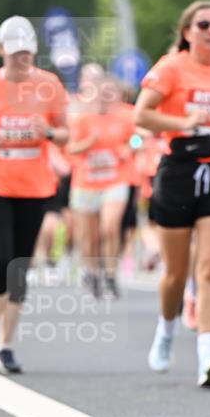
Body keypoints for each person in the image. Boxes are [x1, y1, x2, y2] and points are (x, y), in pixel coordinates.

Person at [134, 0, 210, 388]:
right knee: (176, 274)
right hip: (178, 168)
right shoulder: (171, 67)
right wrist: (183, 122)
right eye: (204, 24)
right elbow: (141, 114)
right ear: (187, 31)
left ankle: (208, 356)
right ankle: (165, 330)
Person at [0, 16, 69, 373]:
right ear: (1, 51)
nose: (22, 60)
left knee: (19, 267)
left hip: (34, 185)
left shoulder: (49, 85)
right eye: (15, 53)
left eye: (27, 53)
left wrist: (47, 131)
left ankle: (6, 344)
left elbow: (66, 135)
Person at [68, 73, 136, 297]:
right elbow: (72, 148)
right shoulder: (82, 118)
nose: (105, 98)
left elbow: (140, 137)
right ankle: (91, 271)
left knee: (109, 227)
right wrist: (89, 143)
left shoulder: (126, 115)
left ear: (118, 95)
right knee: (90, 235)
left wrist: (130, 147)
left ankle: (110, 273)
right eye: (102, 93)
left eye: (110, 93)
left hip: (115, 180)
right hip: (86, 183)